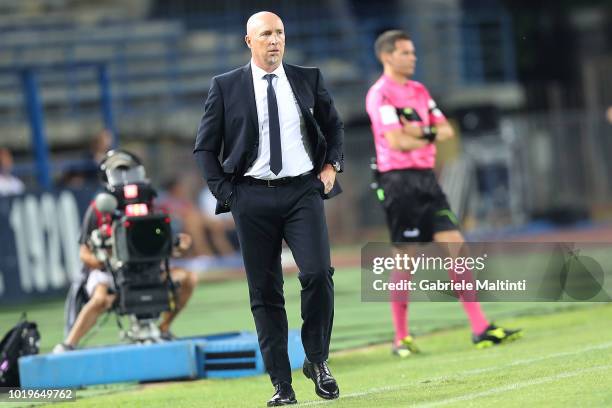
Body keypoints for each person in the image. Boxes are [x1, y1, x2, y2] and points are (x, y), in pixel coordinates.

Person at [194, 11, 343, 406]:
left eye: (279, 33)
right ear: (249, 41)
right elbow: (205, 148)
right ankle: (282, 385)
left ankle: (317, 359)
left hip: (302, 193)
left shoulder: (308, 78)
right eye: (265, 34)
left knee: (317, 275)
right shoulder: (225, 87)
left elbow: (334, 127)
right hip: (251, 197)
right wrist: (228, 194)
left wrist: (332, 165)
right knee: (265, 292)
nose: (274, 40)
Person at [365, 30, 522, 357]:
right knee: (406, 258)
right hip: (398, 182)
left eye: (413, 52)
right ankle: (401, 338)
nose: (413, 58)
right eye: (406, 53)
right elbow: (396, 142)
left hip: (427, 179)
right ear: (387, 56)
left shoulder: (419, 91)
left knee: (457, 247)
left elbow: (447, 129)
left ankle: (480, 328)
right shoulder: (380, 95)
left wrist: (418, 132)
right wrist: (427, 134)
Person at [53, 150, 198, 353]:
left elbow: (160, 243)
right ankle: (69, 343)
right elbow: (84, 253)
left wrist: (177, 245)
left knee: (188, 279)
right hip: (110, 272)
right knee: (100, 298)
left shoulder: (148, 203)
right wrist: (104, 260)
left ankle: (163, 329)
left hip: (148, 268)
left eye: (129, 172)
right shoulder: (98, 209)